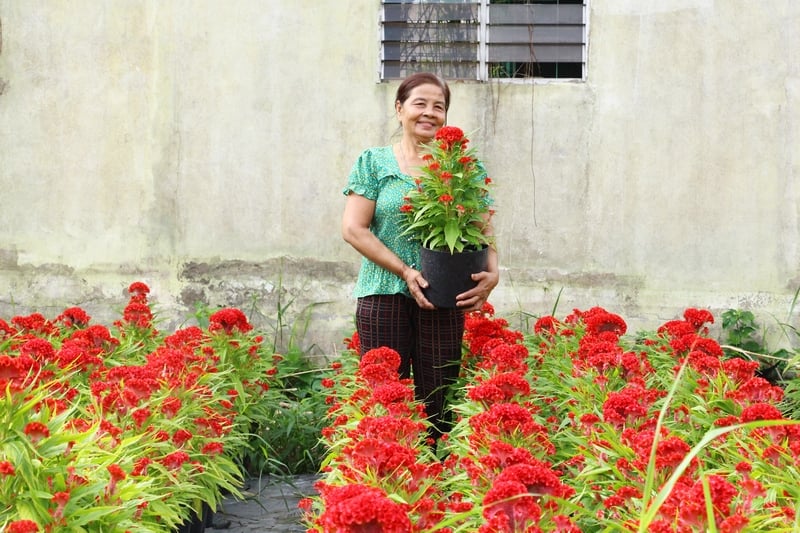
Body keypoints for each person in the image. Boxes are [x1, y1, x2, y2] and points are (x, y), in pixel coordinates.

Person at [341, 72, 499, 443]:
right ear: (400, 109)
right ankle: (385, 481)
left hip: (443, 296)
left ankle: (436, 483)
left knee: (439, 401)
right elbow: (354, 229)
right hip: (383, 293)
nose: (429, 113)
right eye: (420, 104)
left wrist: (494, 270)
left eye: (439, 106)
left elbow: (481, 228)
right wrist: (405, 271)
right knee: (384, 399)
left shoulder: (462, 168)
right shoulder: (374, 162)